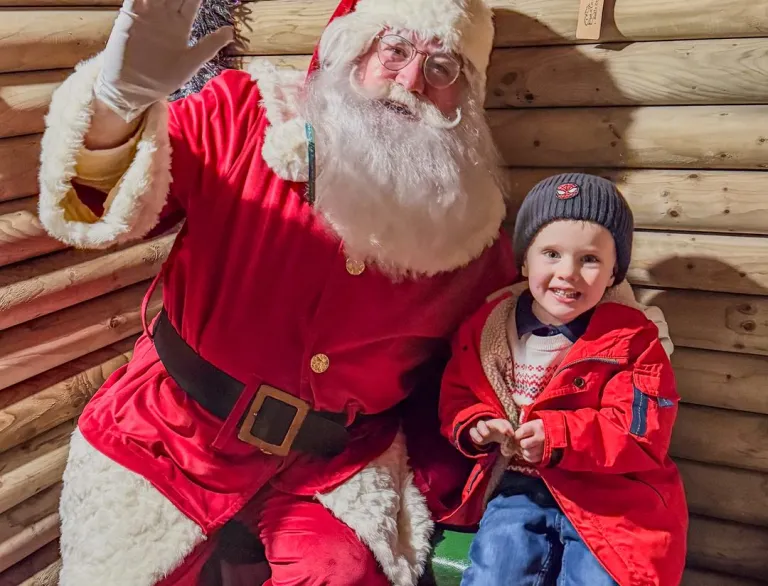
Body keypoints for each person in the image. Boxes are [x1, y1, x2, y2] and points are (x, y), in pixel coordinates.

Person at [37, 0, 672, 582]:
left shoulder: (472, 228)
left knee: (341, 571)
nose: (411, 79)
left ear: (465, 98)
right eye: (393, 49)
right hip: (169, 433)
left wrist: (625, 324)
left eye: (442, 63)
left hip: (334, 464)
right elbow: (101, 211)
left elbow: (540, 303)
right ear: (349, 48)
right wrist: (117, 107)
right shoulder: (242, 112)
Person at [438, 173, 688, 586]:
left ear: (613, 274)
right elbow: (460, 393)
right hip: (518, 488)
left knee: (603, 576)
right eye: (551, 253)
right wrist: (477, 423)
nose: (567, 273)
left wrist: (559, 437)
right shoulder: (487, 328)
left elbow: (643, 430)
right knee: (495, 570)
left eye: (589, 260)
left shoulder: (635, 339)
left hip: (610, 496)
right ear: (524, 261)